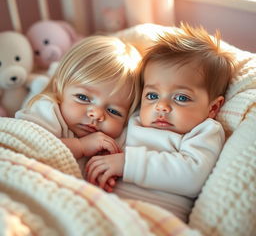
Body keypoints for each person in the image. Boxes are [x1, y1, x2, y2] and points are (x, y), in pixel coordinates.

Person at [85, 23, 235, 222]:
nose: (161, 106)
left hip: (155, 218)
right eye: (152, 95)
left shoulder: (204, 131)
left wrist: (127, 164)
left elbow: (192, 177)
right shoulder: (136, 120)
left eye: (181, 97)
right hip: (104, 206)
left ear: (213, 108)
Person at [15, 35, 142, 190]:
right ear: (58, 89)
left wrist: (107, 173)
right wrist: (80, 146)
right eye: (83, 97)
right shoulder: (47, 110)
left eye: (113, 111)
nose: (96, 114)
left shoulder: (118, 137)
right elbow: (27, 148)